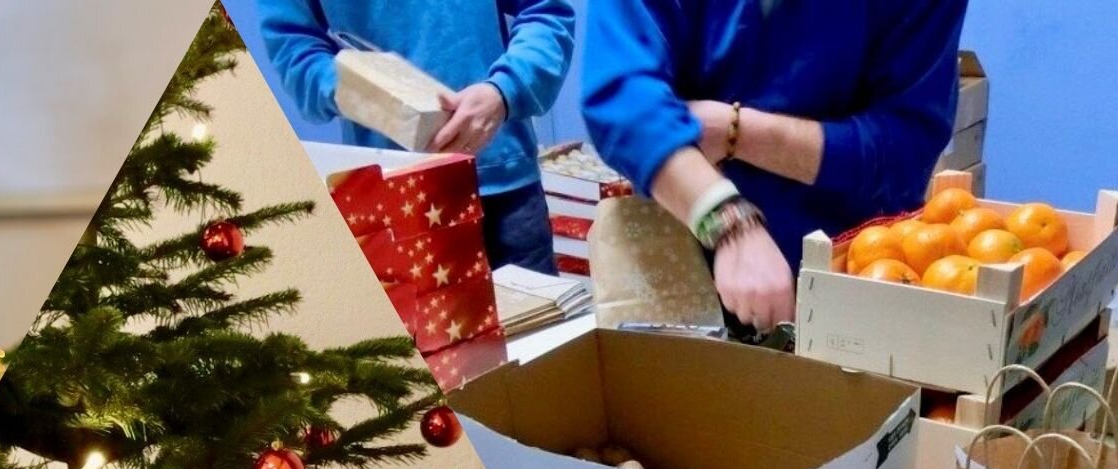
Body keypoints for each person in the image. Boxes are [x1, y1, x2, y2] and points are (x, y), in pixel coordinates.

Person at [581, 0, 968, 330]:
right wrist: (725, 220)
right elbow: (621, 97)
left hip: (849, 275)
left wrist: (736, 131)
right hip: (675, 266)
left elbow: (907, 145)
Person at [260, 0, 576, 273]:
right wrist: (370, 92)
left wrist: (503, 91)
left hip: (505, 192)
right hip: (394, 197)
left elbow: (545, 12)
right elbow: (295, 50)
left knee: (545, 342)